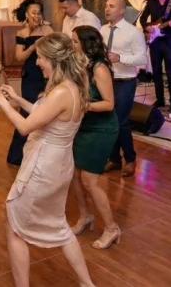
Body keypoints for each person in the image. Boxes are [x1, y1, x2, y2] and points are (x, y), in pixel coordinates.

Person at [0, 33, 96, 287]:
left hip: (43, 167)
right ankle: (87, 284)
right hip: (59, 165)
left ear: (54, 60)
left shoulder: (59, 93)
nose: (38, 62)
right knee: (59, 225)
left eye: (41, 57)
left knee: (15, 225)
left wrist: (0, 99)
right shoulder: (74, 87)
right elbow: (45, 115)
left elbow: (25, 127)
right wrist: (17, 99)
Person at [69, 26, 120, 249]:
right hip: (85, 125)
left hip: (102, 128)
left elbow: (109, 103)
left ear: (86, 44)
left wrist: (83, 104)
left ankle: (111, 228)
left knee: (89, 180)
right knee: (72, 174)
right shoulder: (81, 65)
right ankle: (85, 215)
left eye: (74, 42)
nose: (71, 45)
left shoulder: (100, 68)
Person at [101, 0, 147, 178]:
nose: (107, 9)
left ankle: (130, 158)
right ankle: (114, 159)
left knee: (120, 121)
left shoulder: (133, 33)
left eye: (111, 6)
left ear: (121, 11)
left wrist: (120, 58)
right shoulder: (102, 30)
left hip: (125, 82)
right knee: (108, 119)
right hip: (106, 80)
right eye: (106, 6)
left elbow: (142, 59)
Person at [7, 0, 53, 166]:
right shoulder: (22, 33)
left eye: (39, 12)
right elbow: (19, 57)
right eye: (33, 12)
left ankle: (41, 155)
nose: (36, 15)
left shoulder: (48, 30)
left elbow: (54, 51)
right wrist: (33, 47)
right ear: (26, 14)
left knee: (46, 110)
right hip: (30, 75)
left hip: (46, 74)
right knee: (27, 111)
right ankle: (17, 156)